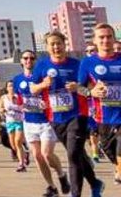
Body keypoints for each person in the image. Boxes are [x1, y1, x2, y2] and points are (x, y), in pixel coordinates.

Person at [29, 31, 104, 197]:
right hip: (56, 118)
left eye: (59, 43)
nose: (56, 47)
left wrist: (78, 88)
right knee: (77, 154)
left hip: (78, 115)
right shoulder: (42, 65)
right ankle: (95, 183)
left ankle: (75, 194)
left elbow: (91, 89)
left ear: (65, 45)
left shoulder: (77, 65)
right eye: (52, 44)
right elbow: (32, 89)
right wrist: (43, 85)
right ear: (47, 47)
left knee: (72, 155)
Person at [13, 49, 69, 197]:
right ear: (21, 61)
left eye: (32, 58)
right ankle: (52, 187)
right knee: (37, 156)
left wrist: (47, 103)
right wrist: (21, 105)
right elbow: (19, 100)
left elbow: (54, 93)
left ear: (35, 61)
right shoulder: (17, 79)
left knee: (46, 154)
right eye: (25, 58)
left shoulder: (43, 77)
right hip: (29, 122)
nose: (28, 61)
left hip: (46, 121)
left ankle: (62, 174)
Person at [79, 23, 121, 185]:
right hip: (104, 118)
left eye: (109, 36)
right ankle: (118, 168)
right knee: (110, 150)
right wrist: (91, 92)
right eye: (101, 37)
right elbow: (78, 88)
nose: (106, 40)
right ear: (95, 41)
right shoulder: (88, 63)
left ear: (114, 38)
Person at [0, 81, 27, 172]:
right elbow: (0, 108)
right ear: (7, 88)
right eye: (10, 86)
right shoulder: (3, 98)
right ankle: (25, 155)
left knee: (18, 142)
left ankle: (21, 164)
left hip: (20, 121)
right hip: (9, 122)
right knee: (13, 145)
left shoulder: (20, 96)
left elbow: (24, 107)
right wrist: (1, 111)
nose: (11, 87)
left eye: (13, 86)